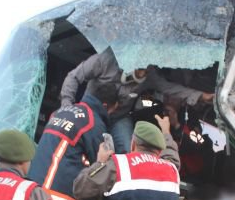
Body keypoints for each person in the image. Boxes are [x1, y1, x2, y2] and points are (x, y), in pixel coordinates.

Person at [59, 46, 214, 152]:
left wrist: (201, 96)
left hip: (119, 117)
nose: (143, 74)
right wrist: (67, 108)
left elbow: (170, 88)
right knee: (82, 143)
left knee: (128, 149)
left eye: (147, 69)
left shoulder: (150, 75)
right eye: (141, 69)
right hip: (91, 111)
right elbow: (73, 77)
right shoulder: (105, 60)